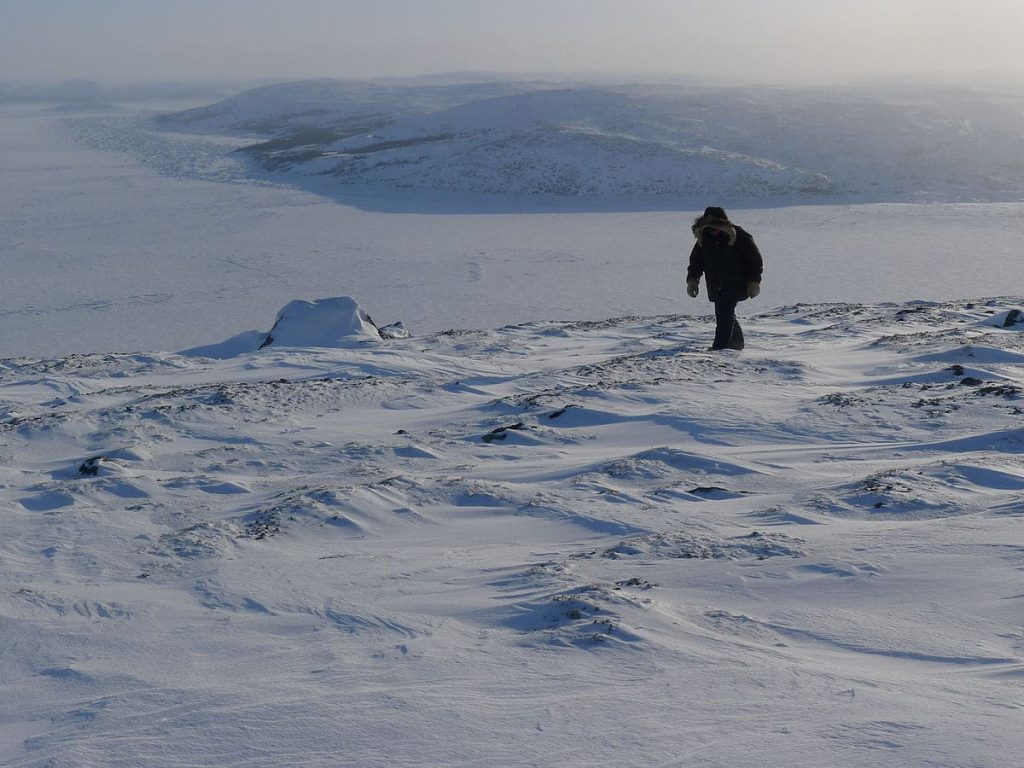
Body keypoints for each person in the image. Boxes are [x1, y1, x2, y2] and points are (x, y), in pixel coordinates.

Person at [685, 206, 763, 351]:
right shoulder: (704, 238)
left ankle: (720, 348)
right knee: (725, 314)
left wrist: (754, 281)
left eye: (715, 225)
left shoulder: (739, 236)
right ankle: (736, 344)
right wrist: (693, 280)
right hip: (715, 285)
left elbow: (754, 259)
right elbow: (696, 261)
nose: (713, 230)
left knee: (724, 315)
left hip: (735, 283)